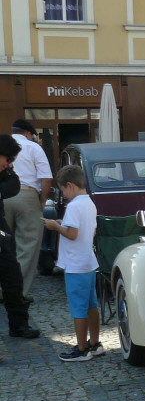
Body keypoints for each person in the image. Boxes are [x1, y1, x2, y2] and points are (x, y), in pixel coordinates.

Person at [42, 165, 100, 361]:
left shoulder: (74, 206)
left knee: (78, 308)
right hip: (88, 262)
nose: (64, 195)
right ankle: (95, 343)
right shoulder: (89, 203)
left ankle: (82, 348)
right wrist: (63, 223)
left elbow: (72, 234)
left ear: (70, 186)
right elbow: (88, 231)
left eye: (63, 190)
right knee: (92, 305)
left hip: (76, 265)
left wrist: (55, 226)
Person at [0, 134, 40, 347]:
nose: (9, 164)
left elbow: (14, 186)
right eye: (7, 159)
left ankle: (18, 325)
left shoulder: (5, 171)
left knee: (13, 278)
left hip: (1, 231)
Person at [5, 119, 52, 298]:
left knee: (3, 245)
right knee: (28, 245)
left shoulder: (4, 146)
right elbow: (46, 178)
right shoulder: (33, 147)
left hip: (3, 195)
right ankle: (18, 292)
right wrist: (41, 201)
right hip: (27, 194)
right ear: (27, 133)